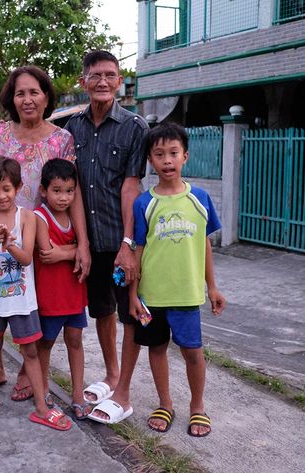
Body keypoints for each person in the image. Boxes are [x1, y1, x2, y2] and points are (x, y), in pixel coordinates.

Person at [0, 65, 90, 401]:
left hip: (42, 238)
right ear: (12, 98)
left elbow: (73, 193)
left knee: (36, 310)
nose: (27, 99)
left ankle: (27, 369)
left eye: (34, 92)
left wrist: (82, 243)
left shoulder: (62, 139)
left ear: (46, 96)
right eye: (20, 93)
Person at [97, 122, 226, 436]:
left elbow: (205, 245)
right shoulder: (145, 203)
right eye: (159, 154)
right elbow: (137, 252)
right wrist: (132, 295)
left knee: (192, 352)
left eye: (173, 153)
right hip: (151, 297)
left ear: (185, 156)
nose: (167, 160)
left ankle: (197, 406)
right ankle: (165, 404)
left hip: (187, 295)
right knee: (156, 349)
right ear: (150, 161)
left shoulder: (200, 198)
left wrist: (212, 286)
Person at [65, 50, 149, 420]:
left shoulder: (135, 127)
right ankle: (112, 374)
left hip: (121, 241)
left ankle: (124, 392)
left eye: (110, 75)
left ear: (120, 81)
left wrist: (129, 245)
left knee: (131, 315)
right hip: (92, 242)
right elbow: (72, 190)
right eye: (95, 75)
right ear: (83, 82)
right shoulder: (71, 129)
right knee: (102, 311)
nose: (102, 81)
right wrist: (80, 243)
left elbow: (131, 187)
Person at [0, 156, 71, 431]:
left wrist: (10, 244)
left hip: (22, 300)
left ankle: (41, 407)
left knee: (30, 351)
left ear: (16, 188)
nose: (1, 196)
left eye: (6, 189)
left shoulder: (26, 216)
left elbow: (26, 258)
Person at [33, 159, 91, 420]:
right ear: (43, 191)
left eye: (69, 191)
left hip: (74, 291)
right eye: (57, 190)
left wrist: (65, 252)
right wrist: (75, 250)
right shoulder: (39, 216)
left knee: (76, 341)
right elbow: (47, 254)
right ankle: (43, 388)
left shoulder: (75, 218)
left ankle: (78, 394)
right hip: (50, 294)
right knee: (45, 344)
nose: (64, 197)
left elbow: (61, 253)